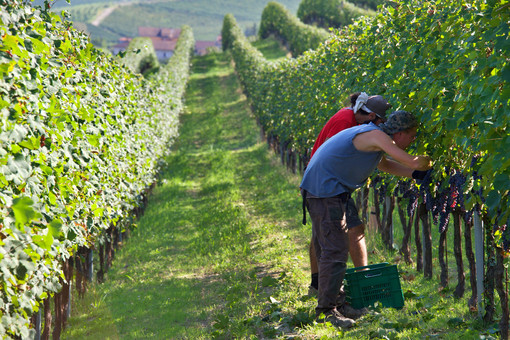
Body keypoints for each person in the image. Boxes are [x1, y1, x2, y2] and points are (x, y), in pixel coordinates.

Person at [300, 110, 432, 328]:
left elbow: (385, 164)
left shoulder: (375, 139)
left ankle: (337, 304)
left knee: (332, 249)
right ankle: (326, 311)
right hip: (325, 191)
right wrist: (423, 164)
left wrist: (414, 175)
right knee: (334, 250)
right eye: (412, 135)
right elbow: (410, 161)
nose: (413, 140)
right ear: (399, 133)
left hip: (325, 190)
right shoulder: (378, 136)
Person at [306, 93, 391, 311]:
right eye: (381, 121)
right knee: (347, 234)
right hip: (328, 185)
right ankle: (353, 288)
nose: (381, 126)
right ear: (371, 115)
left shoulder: (352, 118)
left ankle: (319, 287)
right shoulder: (346, 121)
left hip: (323, 184)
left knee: (324, 236)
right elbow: (338, 156)